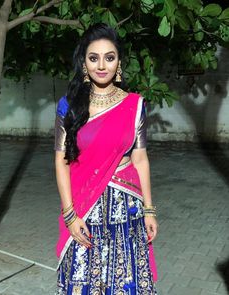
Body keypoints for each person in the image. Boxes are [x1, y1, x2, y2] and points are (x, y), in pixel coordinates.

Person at [54, 23, 158, 295]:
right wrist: (69, 215)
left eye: (109, 57)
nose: (102, 65)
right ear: (84, 63)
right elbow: (61, 161)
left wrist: (149, 209)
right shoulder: (69, 105)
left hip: (126, 211)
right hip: (84, 210)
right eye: (93, 57)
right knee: (83, 280)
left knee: (126, 281)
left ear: (119, 62)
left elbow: (140, 158)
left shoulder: (135, 105)